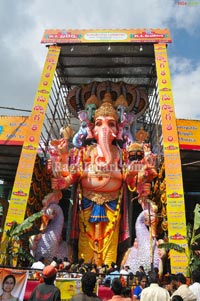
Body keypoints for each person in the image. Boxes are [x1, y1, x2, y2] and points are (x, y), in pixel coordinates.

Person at [52, 93, 157, 266]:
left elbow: (130, 181)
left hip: (113, 203)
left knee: (110, 238)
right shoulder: (85, 152)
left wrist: (135, 173)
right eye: (99, 123)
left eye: (111, 124)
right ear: (92, 129)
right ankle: (85, 266)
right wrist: (62, 163)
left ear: (117, 130)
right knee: (86, 237)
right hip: (86, 201)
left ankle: (108, 267)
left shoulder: (122, 154)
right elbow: (72, 174)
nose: (105, 128)